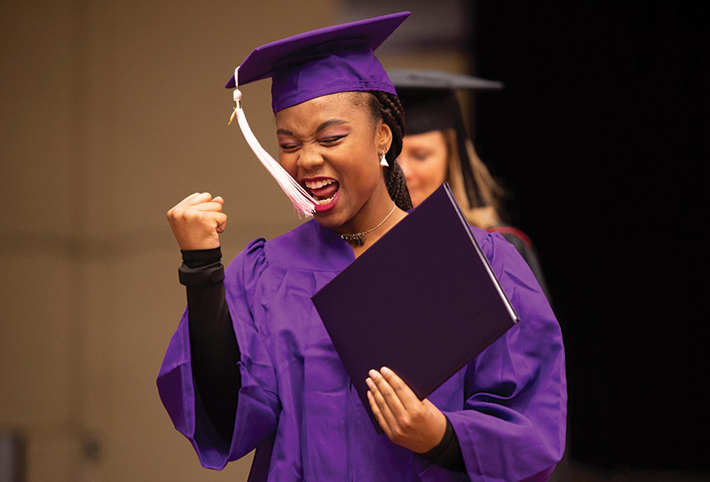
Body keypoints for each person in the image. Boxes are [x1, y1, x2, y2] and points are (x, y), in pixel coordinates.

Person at [157, 12, 566, 482]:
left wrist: (443, 436)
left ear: (382, 137)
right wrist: (202, 270)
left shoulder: (479, 262)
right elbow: (228, 417)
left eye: (331, 137)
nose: (307, 159)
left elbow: (531, 429)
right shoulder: (266, 274)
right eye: (287, 143)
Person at [391, 69, 550, 297]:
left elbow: (533, 332)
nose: (403, 170)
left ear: (452, 158)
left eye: (421, 155)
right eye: (391, 155)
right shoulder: (351, 249)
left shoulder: (496, 250)